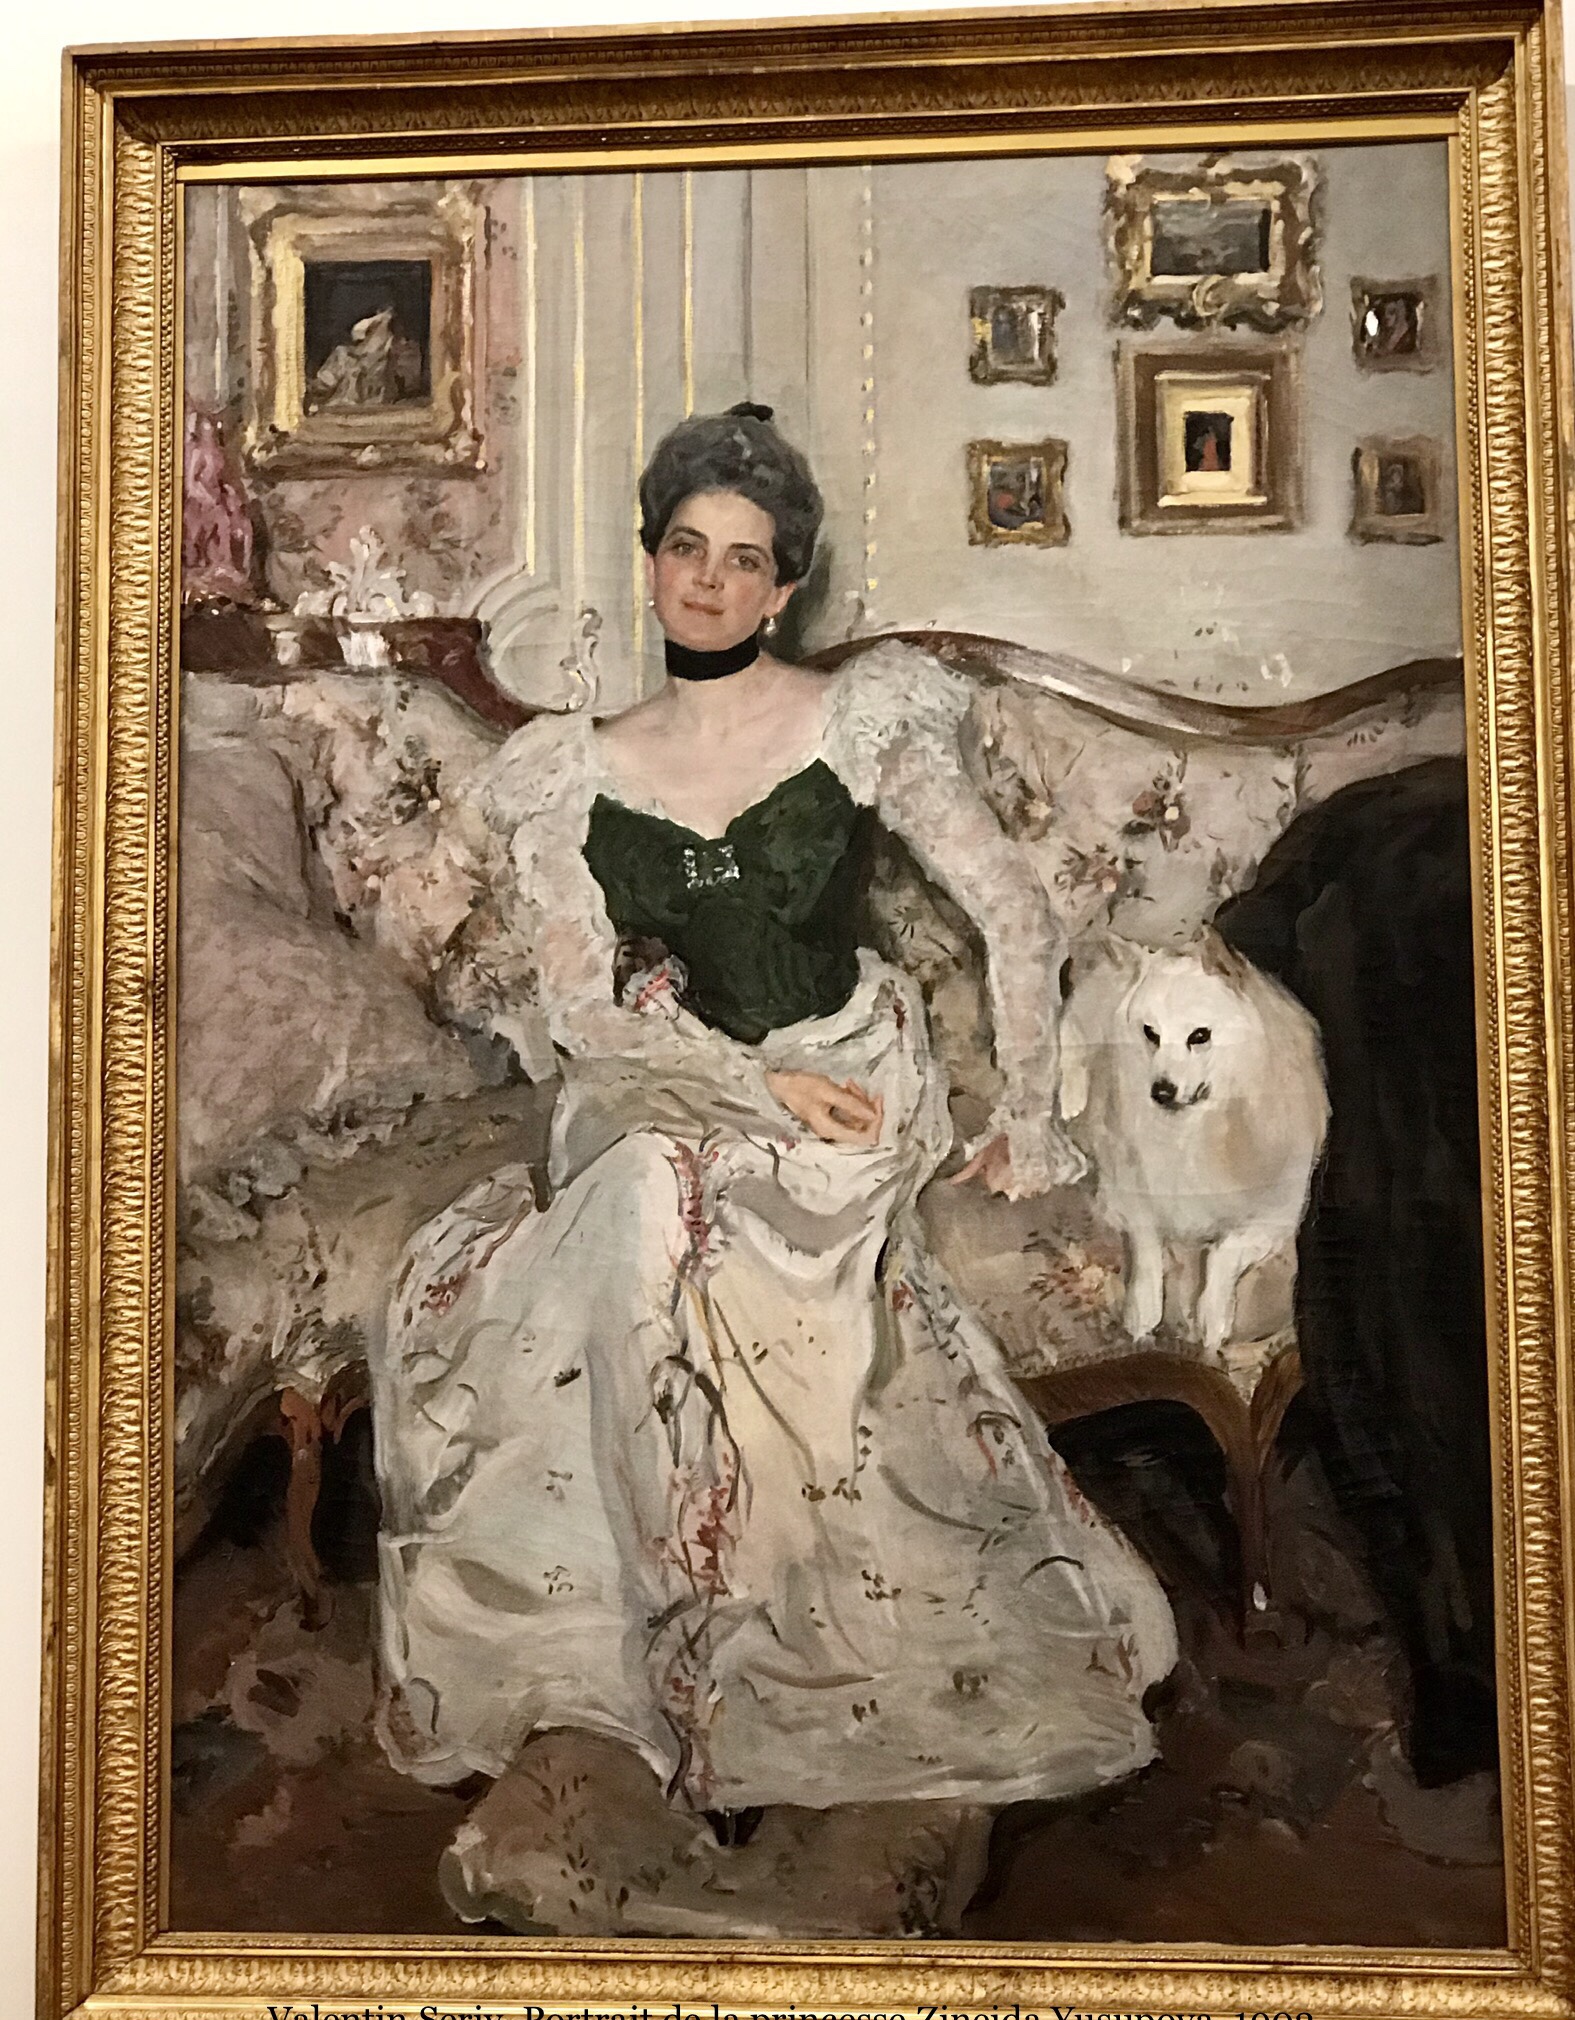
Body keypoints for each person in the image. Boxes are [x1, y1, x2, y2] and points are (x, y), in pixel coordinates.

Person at [371, 403, 1177, 1935]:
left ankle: (817, 1731)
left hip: (846, 1082)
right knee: (630, 1212)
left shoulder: (858, 723)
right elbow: (588, 1009)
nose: (710, 582)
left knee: (762, 1254)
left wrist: (1031, 1112)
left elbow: (1014, 911)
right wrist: (737, 1082)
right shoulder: (575, 768)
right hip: (660, 1082)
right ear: (653, 560)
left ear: (787, 586)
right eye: (687, 548)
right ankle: (629, 1704)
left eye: (745, 561)